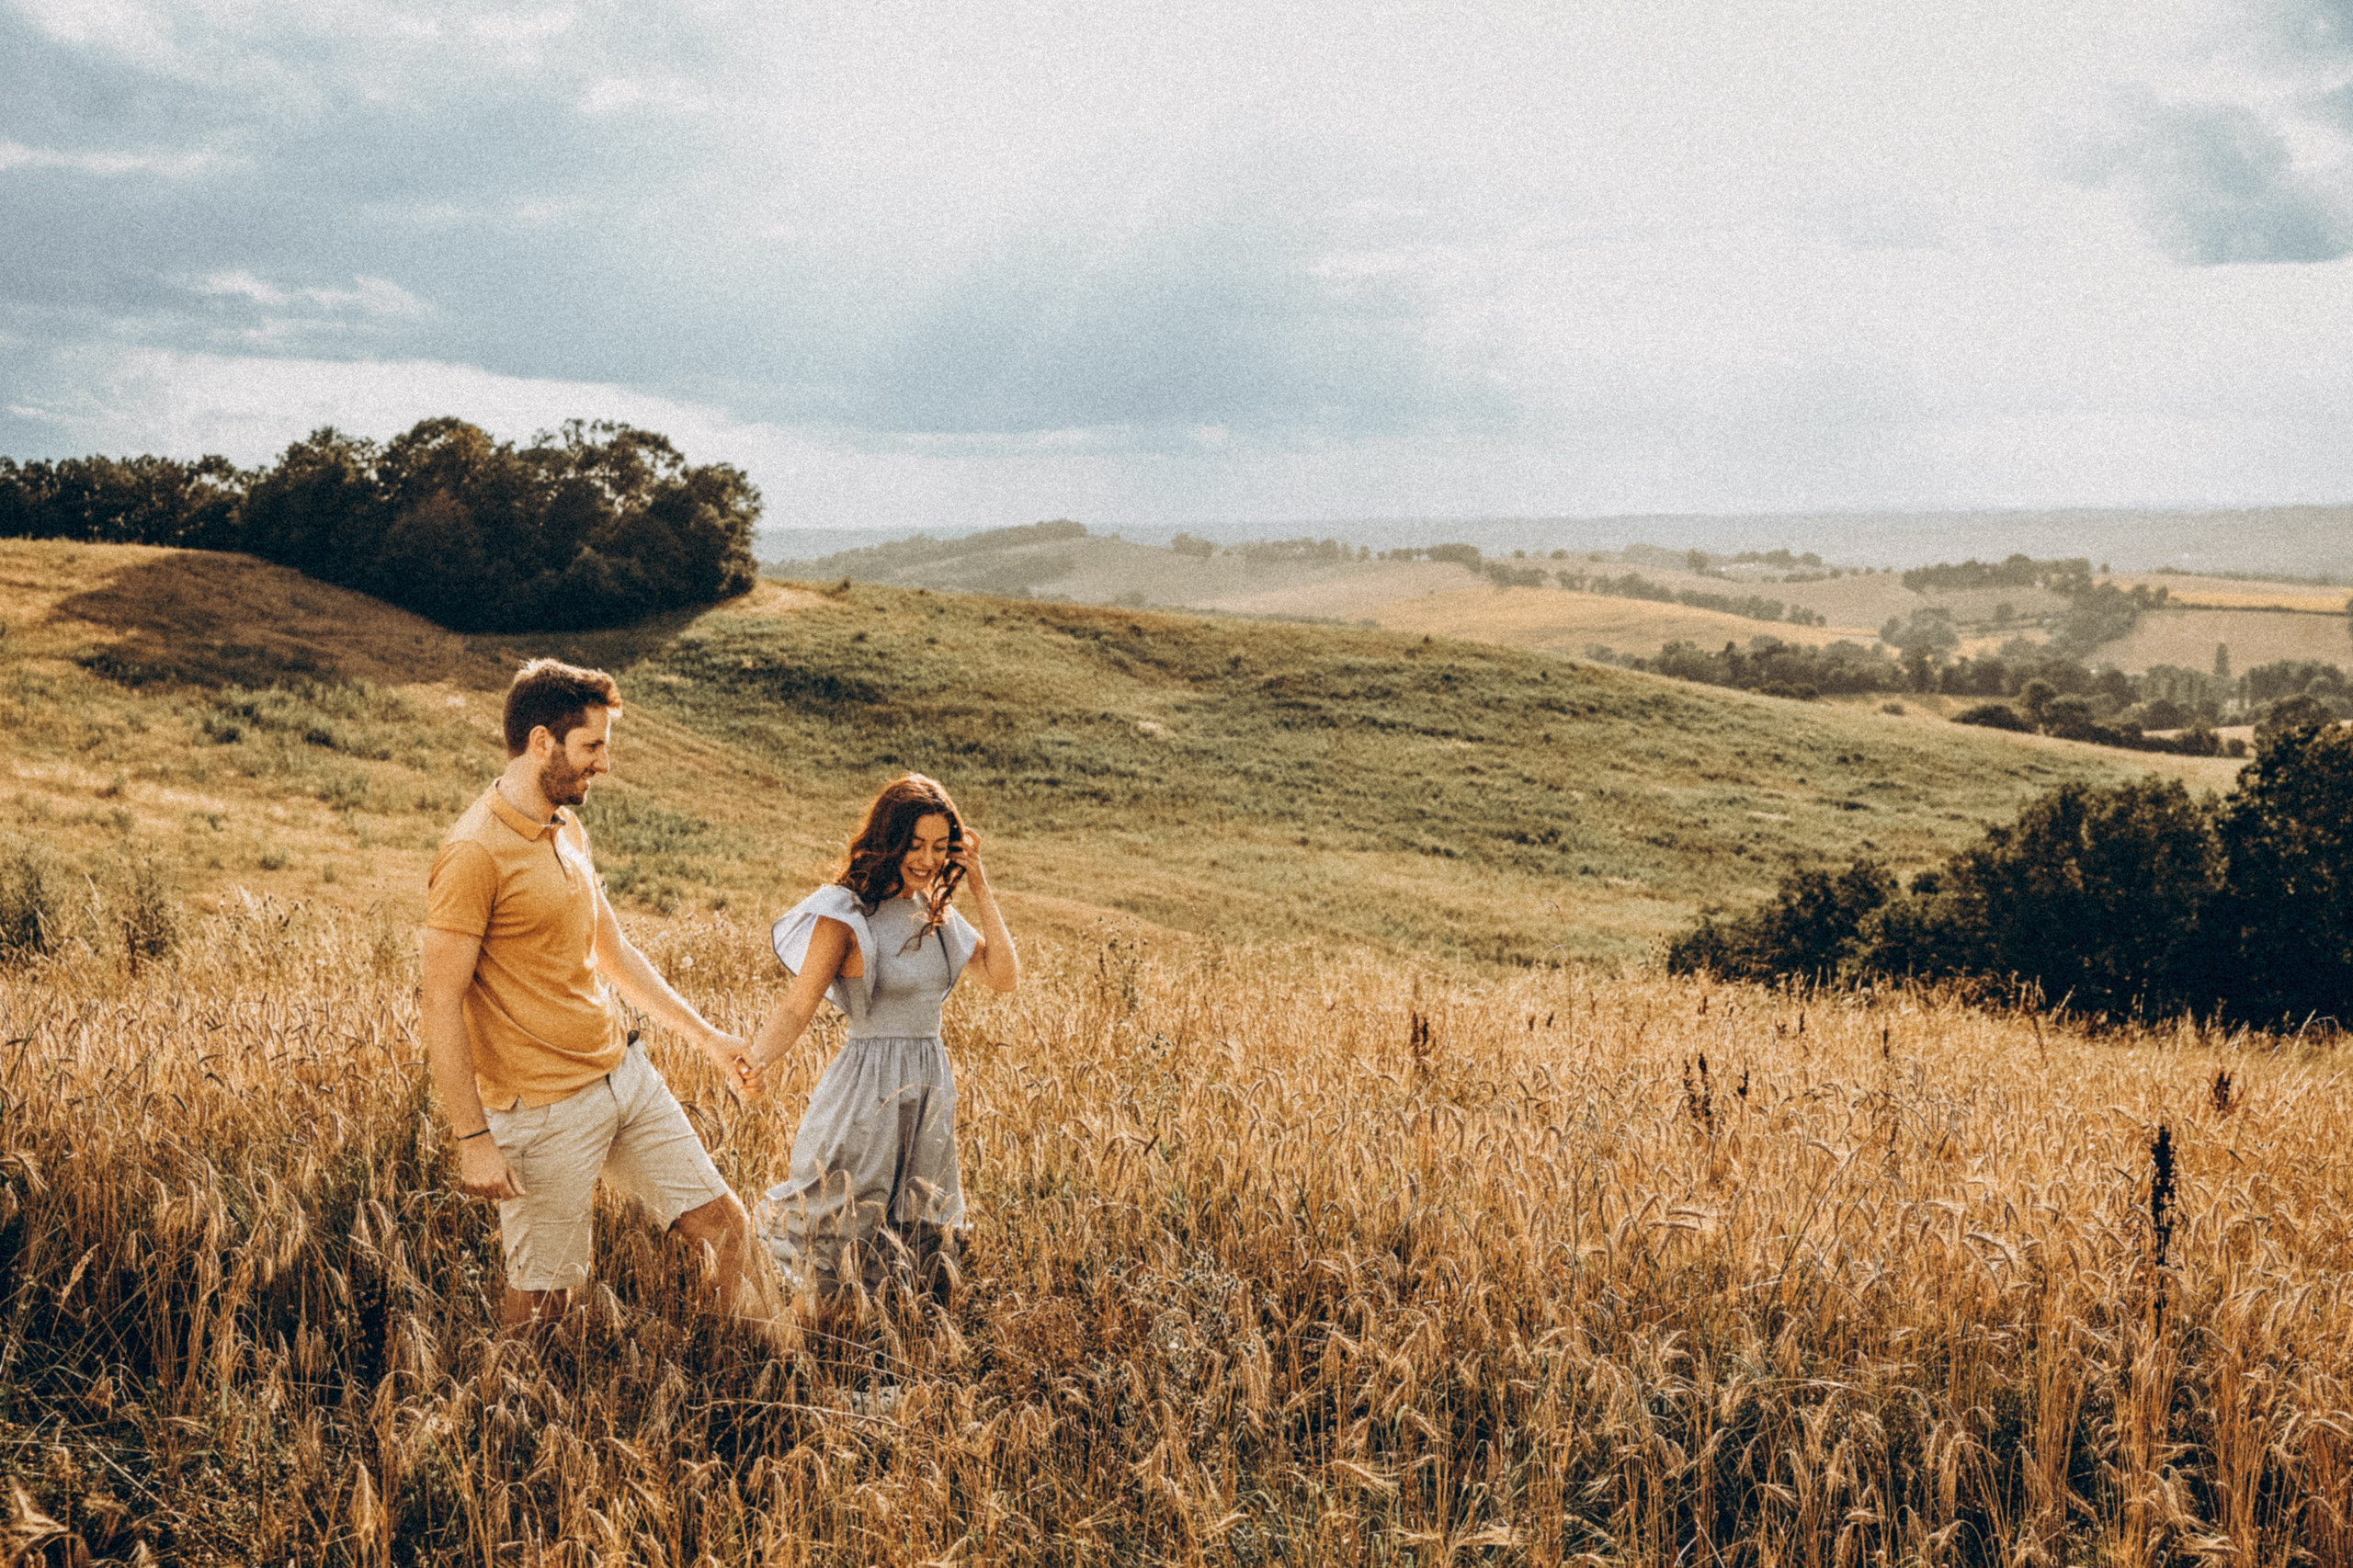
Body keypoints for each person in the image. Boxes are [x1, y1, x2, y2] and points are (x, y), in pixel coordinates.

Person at [421, 658, 763, 1329]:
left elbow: (614, 953)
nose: (603, 765)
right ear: (542, 741)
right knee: (545, 1307)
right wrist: (473, 1139)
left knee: (727, 1231)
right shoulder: (473, 853)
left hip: (623, 1076)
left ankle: (736, 1382)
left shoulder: (565, 827)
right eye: (592, 747)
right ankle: (503, 1423)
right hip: (542, 1109)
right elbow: (440, 1002)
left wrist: (711, 1040)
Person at [738, 773, 1019, 1307]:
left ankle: (886, 1343)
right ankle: (792, 1319)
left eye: (940, 847)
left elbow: (1004, 977)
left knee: (915, 1221)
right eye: (915, 845)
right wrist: (755, 1060)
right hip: (867, 1086)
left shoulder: (936, 912)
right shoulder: (847, 914)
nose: (927, 859)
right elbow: (799, 1006)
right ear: (889, 840)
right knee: (840, 1211)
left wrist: (980, 885)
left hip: (929, 1086)